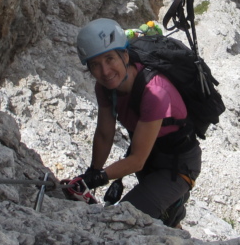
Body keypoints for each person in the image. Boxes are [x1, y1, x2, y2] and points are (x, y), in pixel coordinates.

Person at [63, 17, 201, 227]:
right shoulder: (105, 87)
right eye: (95, 65)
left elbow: (137, 159)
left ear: (125, 55)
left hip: (177, 166)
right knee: (141, 212)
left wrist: (95, 179)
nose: (105, 71)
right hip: (149, 159)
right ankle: (169, 208)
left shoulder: (155, 92)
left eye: (110, 59)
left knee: (123, 220)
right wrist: (91, 174)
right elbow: (104, 134)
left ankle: (173, 209)